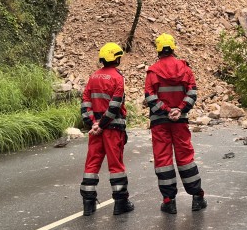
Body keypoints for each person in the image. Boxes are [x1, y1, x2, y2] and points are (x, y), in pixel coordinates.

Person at [144, 33, 207, 214]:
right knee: (185, 158)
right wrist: (179, 109)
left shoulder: (153, 71)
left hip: (159, 123)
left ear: (158, 50)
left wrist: (165, 110)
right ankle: (197, 197)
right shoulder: (185, 69)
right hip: (180, 121)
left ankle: (169, 201)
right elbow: (192, 92)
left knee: (163, 160)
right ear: (173, 48)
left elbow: (150, 97)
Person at [79, 42, 134, 216]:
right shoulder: (118, 78)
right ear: (116, 59)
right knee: (115, 165)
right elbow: (115, 105)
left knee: (91, 164)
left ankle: (88, 205)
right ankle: (120, 203)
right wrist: (102, 125)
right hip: (112, 129)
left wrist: (93, 124)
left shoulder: (93, 77)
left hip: (96, 129)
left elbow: (85, 102)